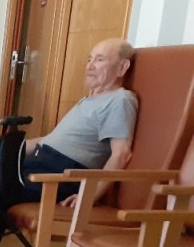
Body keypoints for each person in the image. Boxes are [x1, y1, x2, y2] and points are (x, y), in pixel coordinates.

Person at [15, 39, 137, 207]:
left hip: (58, 173)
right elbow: (48, 140)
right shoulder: (88, 100)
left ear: (122, 67)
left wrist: (89, 196)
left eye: (100, 59)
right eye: (89, 59)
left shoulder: (119, 100)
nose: (90, 66)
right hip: (40, 162)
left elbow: (121, 154)